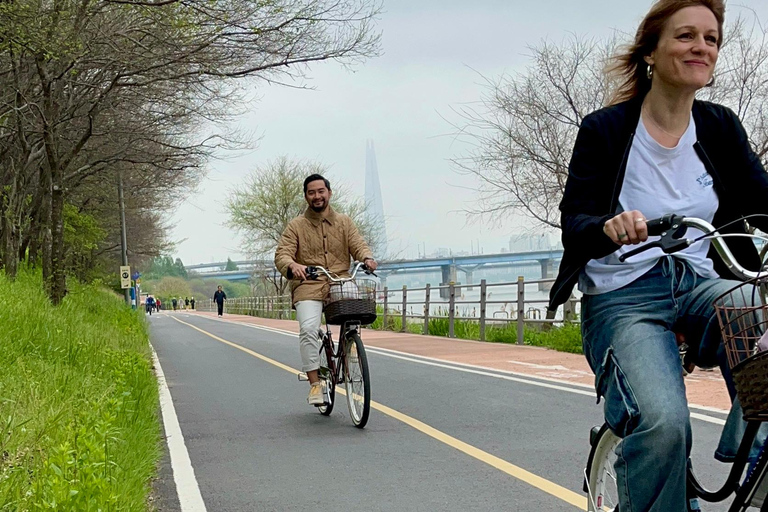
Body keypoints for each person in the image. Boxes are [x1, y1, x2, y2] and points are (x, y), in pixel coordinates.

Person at [546, 1, 768, 510]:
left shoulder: (719, 127)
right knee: (665, 424)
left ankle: (756, 452)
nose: (702, 48)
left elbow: (762, 202)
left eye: (711, 39)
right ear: (651, 50)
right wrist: (608, 227)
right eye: (687, 36)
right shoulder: (604, 130)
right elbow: (574, 224)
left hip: (699, 280)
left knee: (755, 308)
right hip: (624, 295)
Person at [275, 174, 378, 406]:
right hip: (308, 285)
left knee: (354, 312)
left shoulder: (344, 222)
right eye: (311, 192)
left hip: (339, 280)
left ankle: (350, 345)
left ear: (329, 193)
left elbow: (358, 244)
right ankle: (315, 384)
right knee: (309, 328)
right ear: (306, 197)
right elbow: (282, 254)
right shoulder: (296, 226)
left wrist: (367, 258)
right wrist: (293, 265)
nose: (317, 196)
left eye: (321, 191)